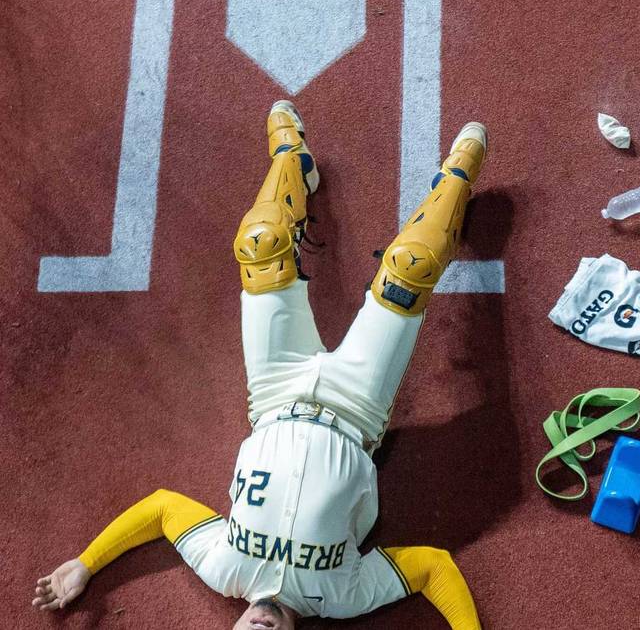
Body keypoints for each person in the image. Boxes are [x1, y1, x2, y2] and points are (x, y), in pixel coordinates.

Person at [31, 101, 487, 629]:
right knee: (411, 266)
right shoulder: (341, 596)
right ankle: (456, 179)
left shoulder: (222, 567)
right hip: (357, 408)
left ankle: (293, 160)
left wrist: (87, 565)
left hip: (274, 392)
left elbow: (160, 509)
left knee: (260, 242)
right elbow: (434, 568)